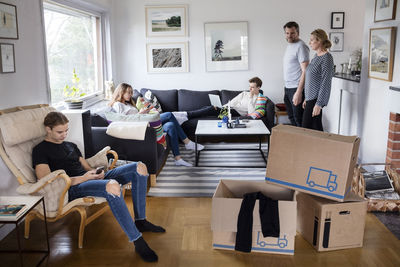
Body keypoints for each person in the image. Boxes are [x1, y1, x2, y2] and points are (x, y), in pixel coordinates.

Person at [32, 112, 165, 262]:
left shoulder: (70, 145)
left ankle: (141, 220)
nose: (64, 135)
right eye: (60, 132)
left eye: (66, 130)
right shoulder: (40, 150)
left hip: (89, 178)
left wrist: (95, 173)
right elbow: (48, 181)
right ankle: (137, 240)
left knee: (140, 167)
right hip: (73, 187)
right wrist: (84, 178)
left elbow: (86, 167)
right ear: (48, 129)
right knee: (113, 186)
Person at [110, 83, 204, 167]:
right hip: (142, 126)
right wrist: (140, 114)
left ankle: (178, 159)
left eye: (131, 92)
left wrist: (144, 112)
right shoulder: (117, 105)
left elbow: (132, 116)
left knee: (171, 125)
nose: (130, 95)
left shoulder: (127, 104)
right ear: (121, 92)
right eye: (128, 92)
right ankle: (187, 142)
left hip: (145, 121)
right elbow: (123, 121)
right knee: (169, 115)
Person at [302, 29, 334, 131]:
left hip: (316, 100)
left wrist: (319, 104)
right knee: (315, 129)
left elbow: (326, 82)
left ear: (319, 41)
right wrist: (306, 98)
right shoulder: (316, 56)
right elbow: (311, 79)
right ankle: (323, 147)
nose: (309, 42)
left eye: (312, 40)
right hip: (310, 99)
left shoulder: (327, 58)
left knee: (307, 129)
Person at [283, 21, 310, 127]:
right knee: (291, 118)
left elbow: (305, 71)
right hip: (288, 87)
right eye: (287, 33)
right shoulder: (290, 45)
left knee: (299, 120)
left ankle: (304, 143)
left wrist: (299, 92)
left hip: (296, 88)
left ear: (298, 32)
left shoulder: (301, 46)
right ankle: (297, 142)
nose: (289, 36)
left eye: (292, 33)